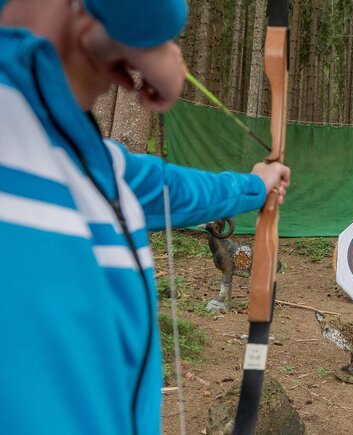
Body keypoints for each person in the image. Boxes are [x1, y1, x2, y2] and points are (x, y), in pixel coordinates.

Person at [0, 0, 290, 433]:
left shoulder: (96, 163)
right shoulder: (15, 134)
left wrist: (257, 186)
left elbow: (175, 189)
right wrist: (149, 40)